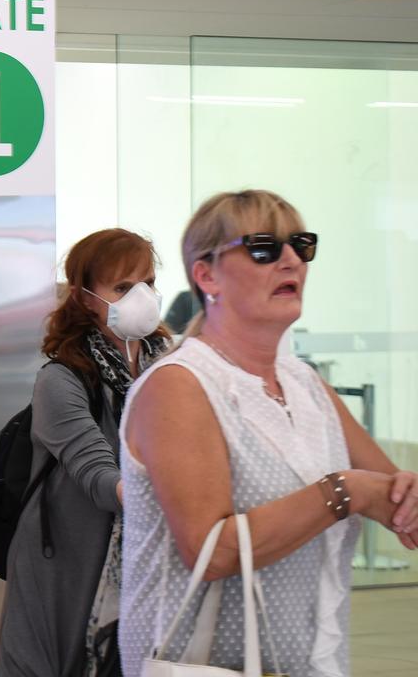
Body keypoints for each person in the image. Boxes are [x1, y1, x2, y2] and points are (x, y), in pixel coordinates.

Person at [120, 189, 418, 676]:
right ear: (206, 274)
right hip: (203, 666)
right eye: (263, 247)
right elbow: (212, 550)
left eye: (301, 245)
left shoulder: (305, 385)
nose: (290, 260)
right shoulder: (180, 385)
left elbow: (395, 499)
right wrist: (343, 492)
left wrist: (402, 499)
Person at [0, 229, 172, 677]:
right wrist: (175, 496)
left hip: (152, 562)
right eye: (123, 287)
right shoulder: (61, 380)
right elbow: (97, 475)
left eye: (148, 283)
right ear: (85, 297)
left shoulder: (172, 369)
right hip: (66, 568)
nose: (142, 297)